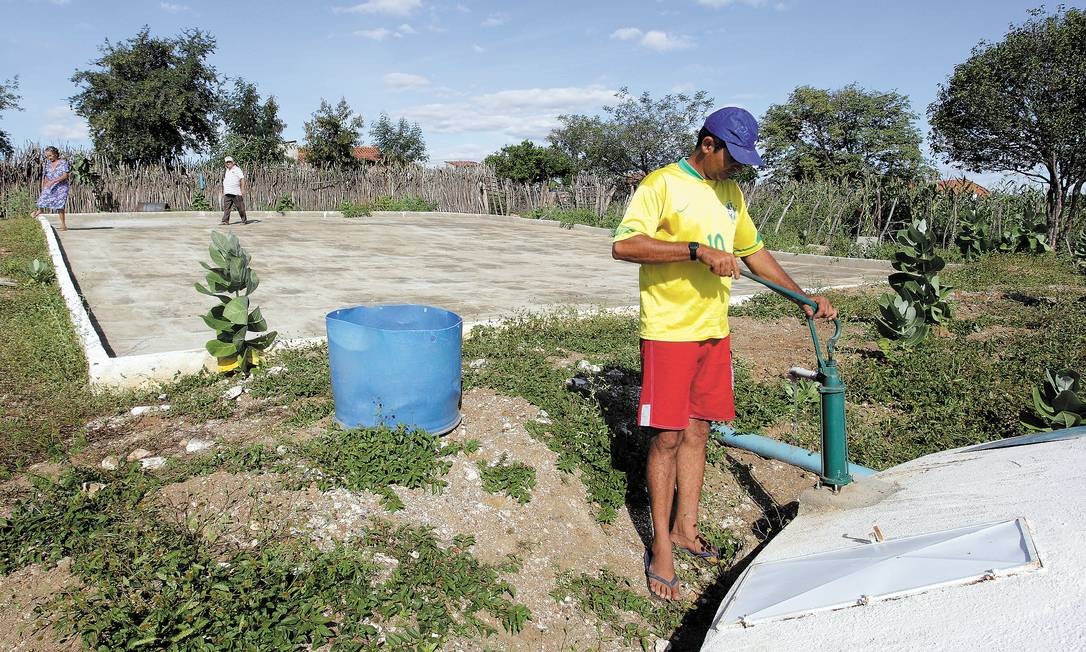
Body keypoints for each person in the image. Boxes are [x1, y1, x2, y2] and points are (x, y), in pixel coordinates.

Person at [611, 107, 837, 602]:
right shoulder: (662, 184)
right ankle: (661, 547)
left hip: (714, 331)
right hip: (670, 331)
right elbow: (625, 246)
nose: (738, 167)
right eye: (732, 156)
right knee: (667, 438)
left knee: (698, 430)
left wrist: (803, 296)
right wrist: (696, 251)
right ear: (707, 143)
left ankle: (686, 529)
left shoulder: (730, 193)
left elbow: (754, 252)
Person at [31, 146, 71, 231]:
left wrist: (53, 181)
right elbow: (46, 176)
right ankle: (40, 211)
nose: (49, 158)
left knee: (60, 205)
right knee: (42, 200)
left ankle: (63, 225)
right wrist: (45, 185)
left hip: (61, 187)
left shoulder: (63, 163)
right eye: (47, 156)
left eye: (50, 155)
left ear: (56, 154)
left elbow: (65, 175)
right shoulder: (48, 164)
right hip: (50, 185)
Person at [220, 155, 248, 225]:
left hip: (236, 192)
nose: (228, 163)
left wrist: (242, 189)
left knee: (240, 208)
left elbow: (242, 179)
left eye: (230, 162)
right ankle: (225, 221)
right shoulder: (226, 170)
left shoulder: (237, 169)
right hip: (227, 192)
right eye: (227, 162)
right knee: (227, 208)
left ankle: (244, 220)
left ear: (233, 162)